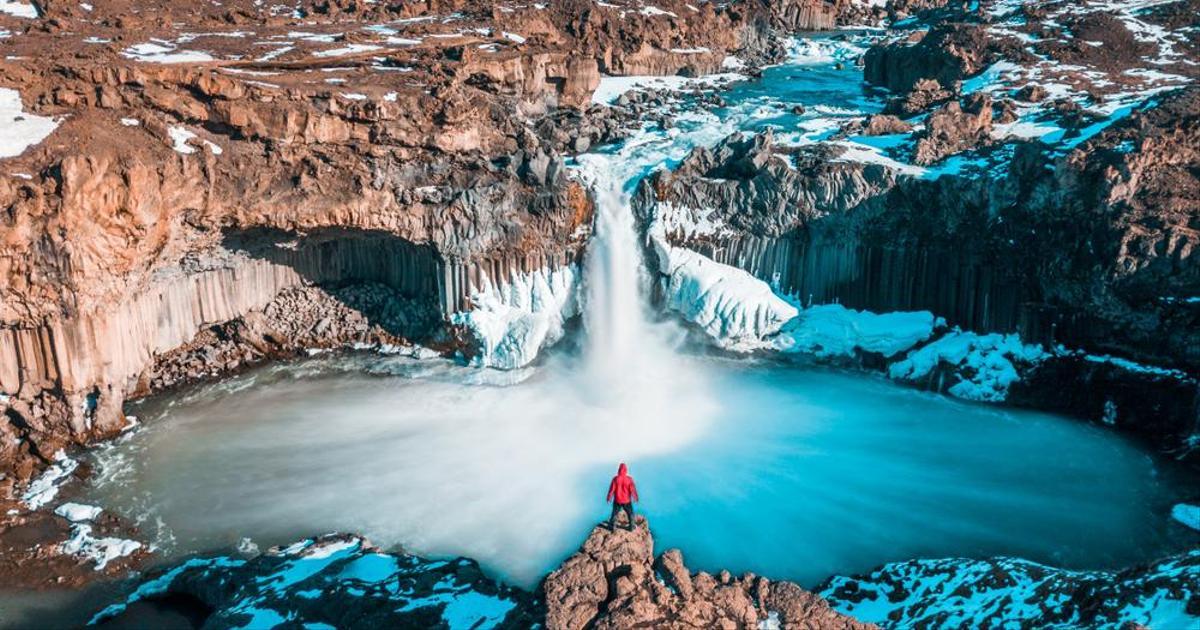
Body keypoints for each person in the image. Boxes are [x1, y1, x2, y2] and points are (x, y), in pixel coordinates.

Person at [606, 462, 639, 531]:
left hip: (617, 500)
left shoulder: (615, 479)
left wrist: (609, 498)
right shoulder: (629, 479)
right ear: (626, 470)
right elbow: (633, 489)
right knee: (630, 514)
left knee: (614, 513)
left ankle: (612, 527)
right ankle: (632, 527)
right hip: (627, 500)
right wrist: (635, 498)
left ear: (619, 470)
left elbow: (612, 489)